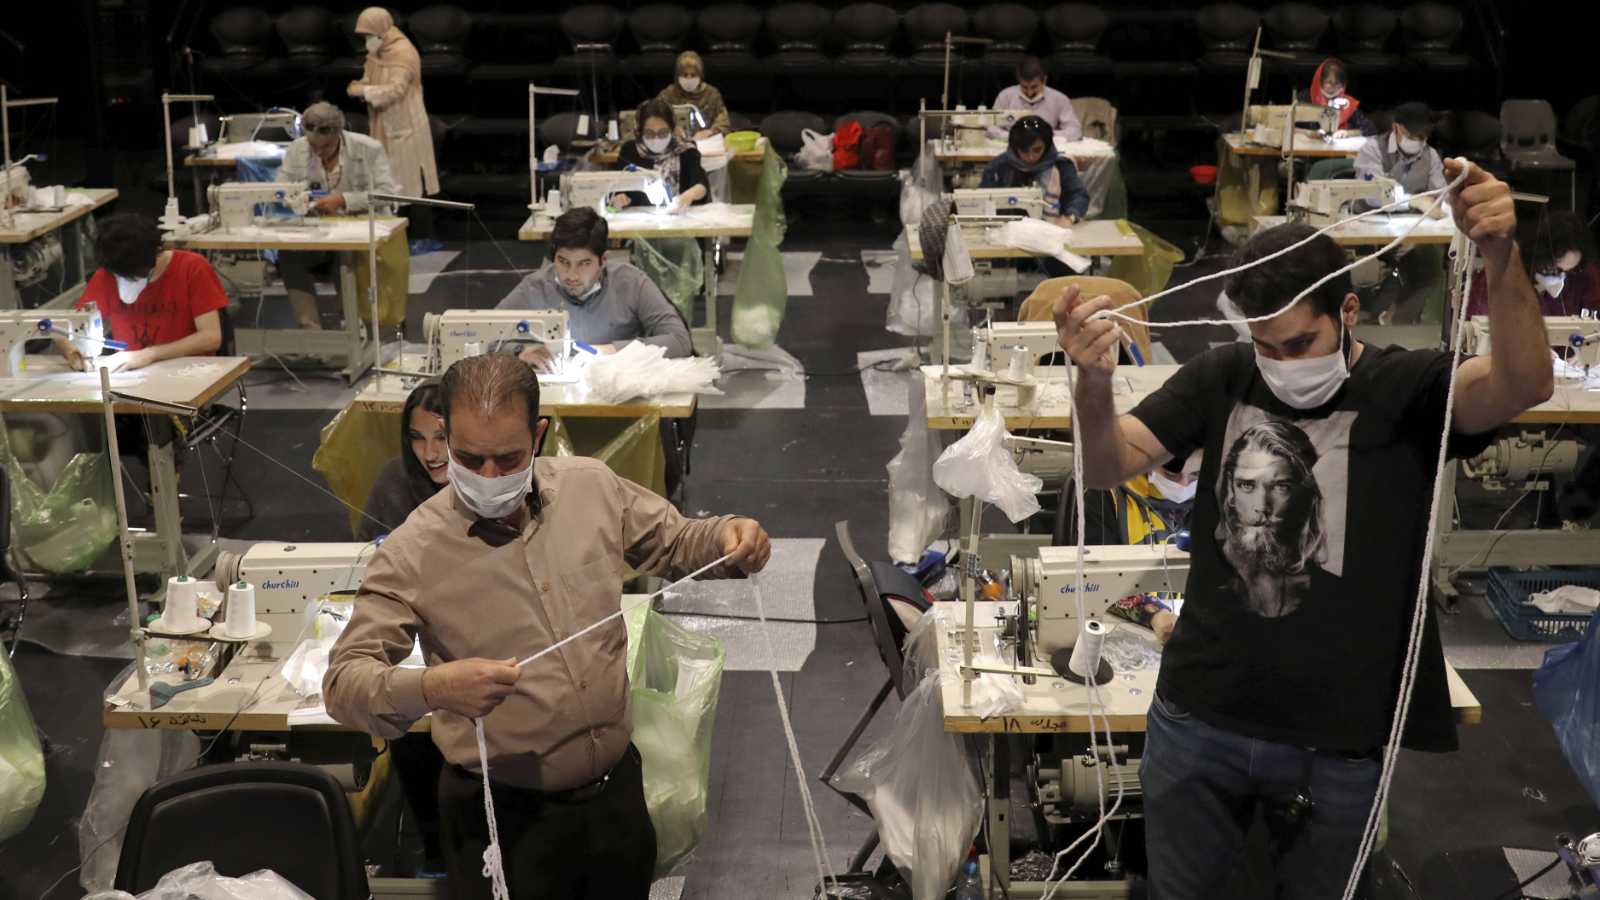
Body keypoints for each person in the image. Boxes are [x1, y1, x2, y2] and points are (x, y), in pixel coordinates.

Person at [1053, 160, 1552, 898]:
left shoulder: (1404, 390)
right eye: (1266, 346)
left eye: (1299, 343)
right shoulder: (1224, 375)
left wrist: (1501, 254)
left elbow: (1523, 382)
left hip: (1336, 741)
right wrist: (1092, 387)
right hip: (1200, 720)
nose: (1282, 365)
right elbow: (1105, 465)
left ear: (1347, 311)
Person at [323, 352, 771, 900]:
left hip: (614, 802)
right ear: (446, 437)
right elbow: (344, 683)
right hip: (505, 822)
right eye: (470, 458)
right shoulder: (412, 549)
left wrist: (731, 537)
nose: (488, 476)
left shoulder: (593, 489)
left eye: (508, 459)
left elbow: (676, 542)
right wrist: (433, 688)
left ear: (538, 434)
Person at [497, 207, 692, 370]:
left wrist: (609, 350)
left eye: (584, 264)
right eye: (563, 262)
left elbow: (680, 342)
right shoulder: (536, 287)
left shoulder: (631, 283)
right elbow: (482, 334)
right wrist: (519, 351)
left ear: (604, 260)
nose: (571, 275)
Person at [275, 101, 399, 330]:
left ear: (338, 134)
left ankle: (351, 324)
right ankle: (311, 330)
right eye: (314, 147)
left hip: (358, 234)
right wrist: (298, 198)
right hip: (319, 232)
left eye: (326, 147)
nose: (319, 152)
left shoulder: (369, 149)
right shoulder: (297, 149)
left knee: (345, 257)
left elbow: (387, 194)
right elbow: (281, 187)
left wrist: (344, 200)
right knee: (289, 255)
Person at [58, 213, 226, 373]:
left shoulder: (192, 268)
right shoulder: (111, 272)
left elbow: (211, 337)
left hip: (188, 372)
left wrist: (150, 354)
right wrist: (73, 352)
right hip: (133, 374)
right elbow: (65, 329)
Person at [349, 7, 441, 254]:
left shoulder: (403, 52)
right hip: (382, 123)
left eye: (369, 34)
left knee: (411, 183)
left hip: (406, 125)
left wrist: (364, 91)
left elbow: (395, 89)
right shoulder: (377, 54)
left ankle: (424, 236)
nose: (367, 40)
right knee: (387, 180)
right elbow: (368, 79)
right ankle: (397, 233)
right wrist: (363, 86)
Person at [1356, 102, 1449, 323]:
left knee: (1431, 272)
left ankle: (1394, 326)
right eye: (1412, 134)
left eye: (1422, 134)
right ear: (1396, 128)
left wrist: (1436, 205)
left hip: (1413, 232)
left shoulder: (1431, 155)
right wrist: (1414, 201)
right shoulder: (1372, 149)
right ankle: (1376, 317)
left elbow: (1438, 197)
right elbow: (1373, 194)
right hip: (1369, 227)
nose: (1417, 139)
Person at [360, 380, 447, 542]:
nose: (429, 455)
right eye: (417, 437)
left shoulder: (493, 483)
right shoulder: (394, 481)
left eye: (442, 437)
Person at [1467, 211, 1600, 317]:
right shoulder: (1500, 276)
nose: (1561, 277)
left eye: (1569, 271)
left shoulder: (1584, 276)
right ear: (1540, 254)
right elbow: (1477, 322)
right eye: (1555, 270)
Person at [981, 115, 1090, 227]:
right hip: (1006, 230)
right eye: (1024, 151)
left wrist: (1069, 217)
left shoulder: (1061, 165)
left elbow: (1078, 195)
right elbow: (983, 200)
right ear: (1015, 147)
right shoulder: (998, 167)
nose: (1031, 157)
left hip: (1053, 229)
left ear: (1047, 146)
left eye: (1037, 150)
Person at [612, 98, 709, 212]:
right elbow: (616, 187)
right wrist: (618, 199)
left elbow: (701, 184)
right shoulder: (629, 151)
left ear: (672, 130)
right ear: (640, 131)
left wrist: (688, 196)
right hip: (639, 221)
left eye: (663, 133)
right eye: (649, 133)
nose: (656, 138)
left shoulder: (686, 151)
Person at [992, 56, 1082, 141]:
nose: (1029, 92)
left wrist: (1046, 135)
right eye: (1024, 87)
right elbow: (990, 126)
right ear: (1019, 81)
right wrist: (1013, 136)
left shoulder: (1059, 99)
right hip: (1012, 146)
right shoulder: (1005, 96)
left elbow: (1075, 130)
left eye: (1034, 87)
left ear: (1044, 80)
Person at [654, 50, 729, 139]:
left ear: (700, 76)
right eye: (685, 75)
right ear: (678, 76)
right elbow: (653, 118)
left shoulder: (711, 94)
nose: (689, 79)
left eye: (693, 75)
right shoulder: (667, 95)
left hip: (705, 143)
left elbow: (724, 122)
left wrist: (710, 132)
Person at [1297, 58, 1374, 137]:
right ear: (1320, 80)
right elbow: (1288, 127)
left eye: (1337, 84)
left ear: (1343, 85)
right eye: (1329, 82)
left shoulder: (1346, 103)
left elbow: (1370, 128)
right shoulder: (1305, 97)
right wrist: (1310, 133)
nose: (1333, 87)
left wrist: (1347, 133)